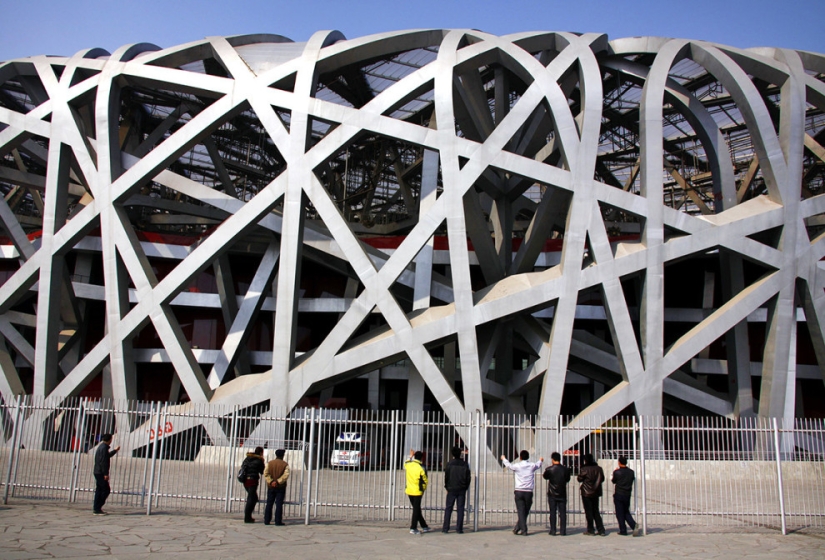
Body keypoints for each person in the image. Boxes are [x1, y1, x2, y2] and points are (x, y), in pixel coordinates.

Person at [500, 450, 543, 536]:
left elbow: (509, 465)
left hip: (519, 491)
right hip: (528, 491)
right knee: (525, 511)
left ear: (520, 457)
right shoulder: (532, 466)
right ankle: (522, 529)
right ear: (528, 457)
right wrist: (541, 460)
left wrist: (504, 459)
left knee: (521, 511)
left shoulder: (517, 466)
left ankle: (519, 528)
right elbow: (538, 464)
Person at [442, 446, 471, 534]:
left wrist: (447, 487)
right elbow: (468, 477)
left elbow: (446, 477)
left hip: (451, 488)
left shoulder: (449, 464)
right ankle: (459, 529)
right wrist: (465, 487)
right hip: (461, 488)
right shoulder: (465, 464)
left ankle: (445, 528)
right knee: (460, 509)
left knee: (448, 508)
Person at [542, 451, 571, 536]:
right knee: (562, 513)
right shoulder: (565, 469)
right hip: (562, 493)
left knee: (553, 512)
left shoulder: (549, 469)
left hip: (552, 493)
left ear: (553, 459)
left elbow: (545, 477)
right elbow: (567, 479)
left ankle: (553, 530)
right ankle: (563, 531)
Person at [611, 456, 641, 536]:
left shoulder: (617, 472)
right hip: (627, 494)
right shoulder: (631, 472)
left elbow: (613, 481)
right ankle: (633, 525)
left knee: (620, 513)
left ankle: (623, 530)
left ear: (619, 462)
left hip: (619, 494)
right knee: (626, 511)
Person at [577, 453, 605, 536]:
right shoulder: (599, 469)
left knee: (588, 512)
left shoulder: (584, 469)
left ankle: (591, 529)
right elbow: (602, 479)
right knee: (596, 511)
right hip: (596, 492)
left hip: (586, 492)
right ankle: (601, 529)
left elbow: (579, 479)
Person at [404, 449, 431, 535]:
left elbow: (406, 462)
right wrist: (423, 489)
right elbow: (425, 480)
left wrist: (410, 456)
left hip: (409, 490)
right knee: (416, 509)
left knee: (417, 509)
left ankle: (424, 526)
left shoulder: (409, 465)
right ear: (422, 458)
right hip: (417, 491)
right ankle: (413, 527)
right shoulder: (422, 467)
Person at [92, 433, 120, 515]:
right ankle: (97, 507)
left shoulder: (102, 447)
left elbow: (107, 456)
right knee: (106, 490)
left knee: (99, 489)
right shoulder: (104, 448)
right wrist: (105, 474)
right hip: (100, 472)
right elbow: (104, 462)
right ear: (110, 440)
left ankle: (96, 508)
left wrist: (115, 450)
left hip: (97, 471)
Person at [263, 449, 290, 526]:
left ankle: (267, 520)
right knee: (279, 504)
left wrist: (271, 481)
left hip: (271, 486)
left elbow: (266, 473)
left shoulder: (270, 463)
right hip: (280, 487)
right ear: (283, 455)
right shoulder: (285, 464)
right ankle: (278, 521)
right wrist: (278, 482)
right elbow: (286, 475)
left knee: (269, 503)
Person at [240, 446, 265, 523]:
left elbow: (242, 466)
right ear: (261, 452)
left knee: (253, 498)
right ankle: (247, 517)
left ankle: (248, 516)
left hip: (245, 480)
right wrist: (263, 462)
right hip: (252, 480)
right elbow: (262, 471)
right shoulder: (259, 460)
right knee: (251, 499)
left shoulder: (248, 458)